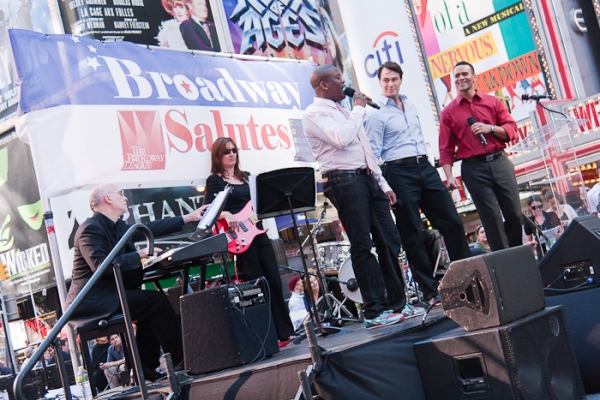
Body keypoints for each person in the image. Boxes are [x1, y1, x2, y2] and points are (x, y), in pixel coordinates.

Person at [302, 64, 412, 329]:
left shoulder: (344, 110)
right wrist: (359, 107)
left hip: (366, 178)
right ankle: (374, 310)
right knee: (362, 244)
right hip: (343, 181)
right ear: (323, 85)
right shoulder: (314, 113)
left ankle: (398, 303)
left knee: (389, 239)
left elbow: (364, 150)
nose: (344, 82)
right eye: (338, 78)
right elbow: (341, 139)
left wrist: (383, 184)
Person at [65, 183, 208, 381]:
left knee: (149, 305)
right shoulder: (90, 229)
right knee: (155, 302)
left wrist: (188, 218)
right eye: (120, 193)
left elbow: (147, 229)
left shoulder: (116, 226)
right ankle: (184, 360)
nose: (125, 197)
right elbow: (102, 266)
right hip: (91, 303)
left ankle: (144, 368)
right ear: (108, 199)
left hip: (109, 296)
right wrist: (138, 256)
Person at [365, 61, 471, 305]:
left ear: (401, 80)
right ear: (379, 83)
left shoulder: (410, 104)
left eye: (394, 79)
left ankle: (467, 277)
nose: (390, 84)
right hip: (398, 171)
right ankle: (430, 291)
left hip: (425, 166)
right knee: (412, 232)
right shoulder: (375, 112)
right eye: (385, 80)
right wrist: (385, 186)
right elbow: (373, 153)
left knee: (452, 222)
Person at [203, 138, 296, 345]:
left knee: (273, 279)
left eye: (234, 150)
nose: (231, 154)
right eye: (226, 151)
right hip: (239, 238)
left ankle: (284, 332)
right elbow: (208, 210)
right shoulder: (214, 181)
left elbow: (259, 204)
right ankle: (268, 335)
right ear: (218, 156)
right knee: (256, 283)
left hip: (258, 233)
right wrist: (226, 213)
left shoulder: (245, 178)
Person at [439, 61, 521, 251]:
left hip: (500, 161)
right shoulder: (448, 113)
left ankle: (517, 254)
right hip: (474, 169)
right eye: (457, 76)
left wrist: (490, 128)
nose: (461, 78)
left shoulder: (493, 102)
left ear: (474, 77)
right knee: (491, 219)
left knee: (515, 214)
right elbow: (445, 148)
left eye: (464, 74)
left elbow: (512, 130)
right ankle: (505, 261)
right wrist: (449, 176)